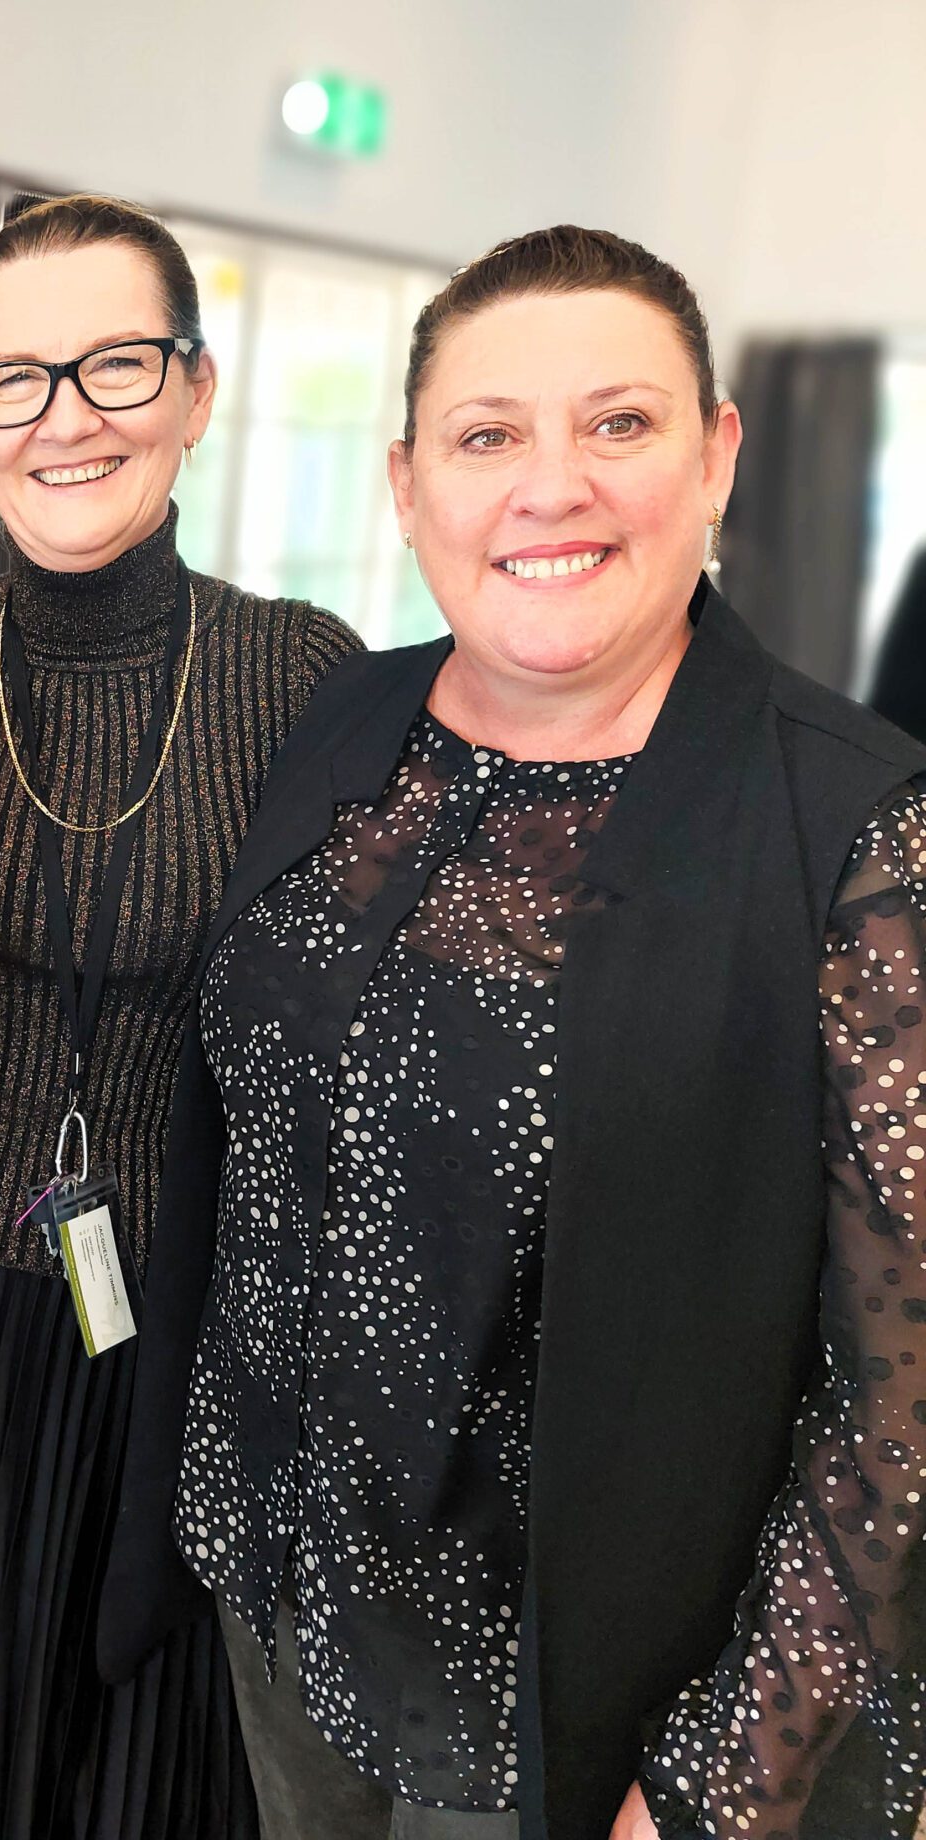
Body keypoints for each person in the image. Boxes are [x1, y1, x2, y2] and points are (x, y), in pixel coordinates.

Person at [103, 226, 926, 1840]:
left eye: (617, 423)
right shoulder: (346, 719)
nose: (552, 485)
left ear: (717, 456)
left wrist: (718, 1780)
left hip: (577, 1693)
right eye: (490, 437)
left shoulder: (853, 832)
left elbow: (901, 1390)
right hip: (289, 1599)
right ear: (410, 488)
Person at [0, 195, 359, 1840]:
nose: (70, 418)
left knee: (142, 1773)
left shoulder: (304, 673)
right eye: (16, 378)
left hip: (176, 1318)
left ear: (194, 385)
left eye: (115, 364)